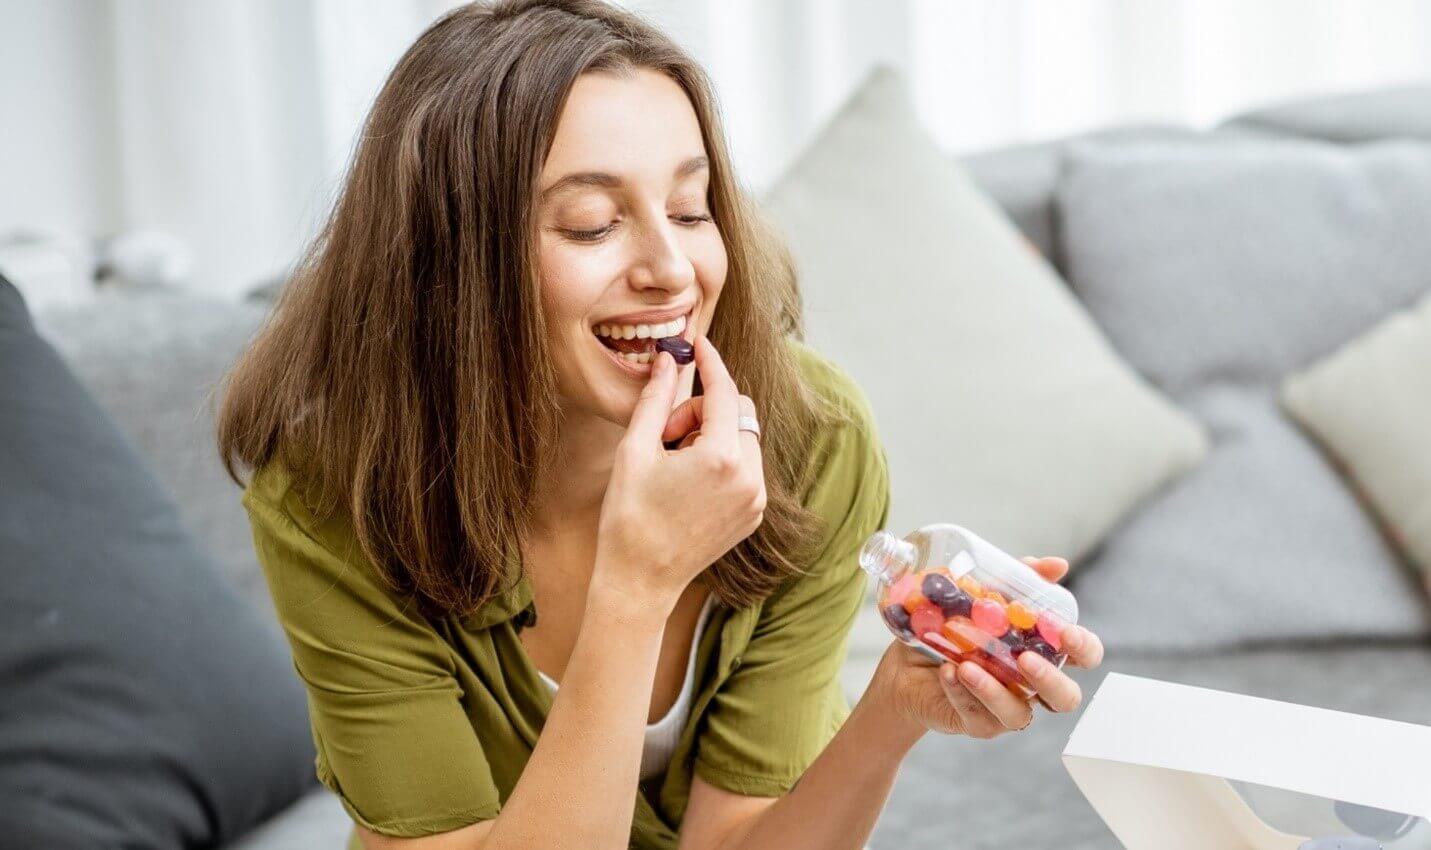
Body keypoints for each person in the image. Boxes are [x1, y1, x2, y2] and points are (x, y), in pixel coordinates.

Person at [215, 2, 1105, 848]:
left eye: (690, 208)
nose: (672, 269)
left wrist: (888, 717)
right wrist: (636, 586)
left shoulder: (811, 442)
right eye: (592, 224)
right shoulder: (334, 501)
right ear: (453, 266)